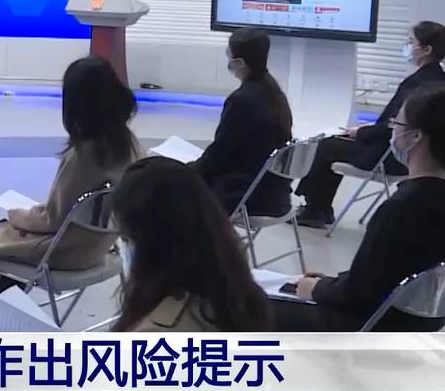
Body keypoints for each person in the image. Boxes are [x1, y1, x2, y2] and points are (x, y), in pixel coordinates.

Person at [0, 56, 142, 303]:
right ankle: (11, 308)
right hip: (103, 246)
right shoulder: (129, 145)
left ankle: (1, 314)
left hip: (67, 252)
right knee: (0, 232)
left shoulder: (83, 156)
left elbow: (53, 219)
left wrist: (16, 215)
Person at [275, 83, 445, 332]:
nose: (393, 131)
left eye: (396, 124)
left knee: (251, 308)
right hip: (421, 326)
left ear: (415, 136)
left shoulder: (403, 209)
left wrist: (317, 288)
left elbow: (358, 297)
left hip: (372, 327)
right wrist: (332, 283)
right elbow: (382, 275)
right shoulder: (423, 201)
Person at [295, 21, 445, 228]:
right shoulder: (436, 79)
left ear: (426, 49)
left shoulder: (418, 85)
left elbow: (394, 126)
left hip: (389, 155)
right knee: (335, 144)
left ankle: (315, 210)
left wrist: (361, 132)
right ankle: (320, 209)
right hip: (410, 153)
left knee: (328, 145)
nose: (407, 46)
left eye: (411, 42)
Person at [111, 157, 273, 332]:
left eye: (128, 239)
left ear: (153, 248)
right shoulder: (234, 283)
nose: (127, 250)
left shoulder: (155, 331)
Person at [192, 28, 293, 218]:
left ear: (238, 63)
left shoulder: (241, 100)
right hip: (274, 192)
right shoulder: (275, 93)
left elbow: (220, 155)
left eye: (228, 55)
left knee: (171, 186)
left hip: (245, 193)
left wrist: (187, 170)